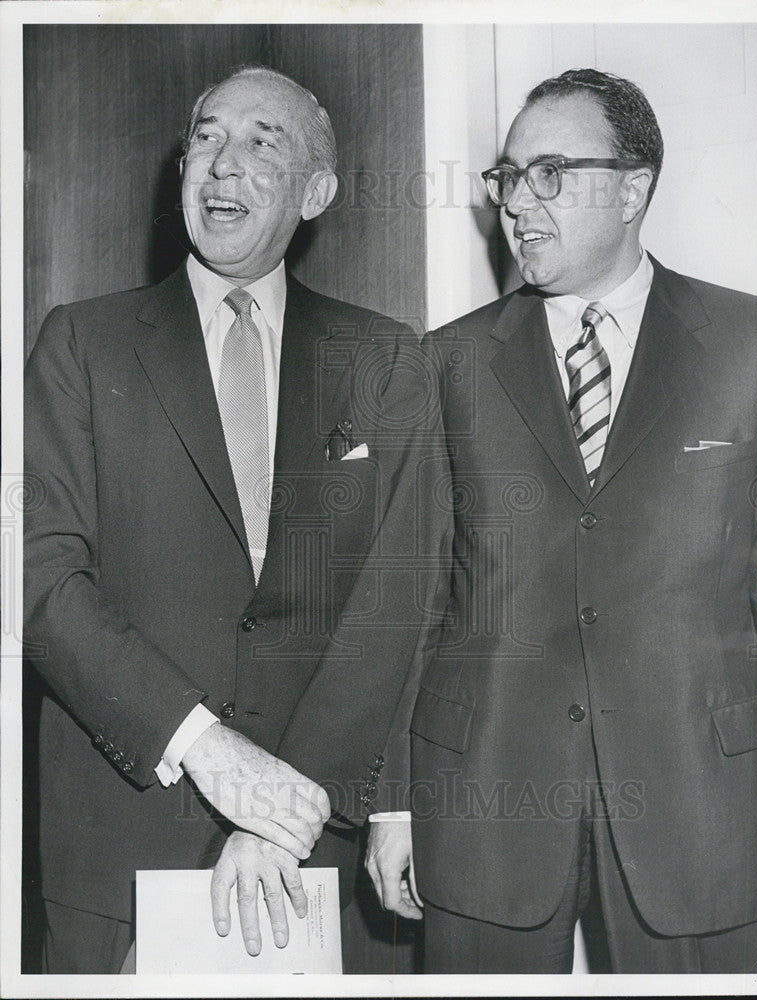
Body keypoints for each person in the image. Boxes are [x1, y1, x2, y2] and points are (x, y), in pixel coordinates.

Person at [24, 64, 446, 974]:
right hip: (118, 853)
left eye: (264, 143)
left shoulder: (386, 360)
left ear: (317, 191)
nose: (223, 165)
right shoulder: (78, 342)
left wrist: (287, 810)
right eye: (207, 137)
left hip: (324, 848)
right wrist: (207, 747)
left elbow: (401, 602)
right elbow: (38, 576)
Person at [366, 68, 757, 974]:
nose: (518, 203)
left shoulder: (755, 345)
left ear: (635, 189)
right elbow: (411, 600)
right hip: (485, 807)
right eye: (508, 177)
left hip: (708, 809)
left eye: (551, 173)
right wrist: (394, 804)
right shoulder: (446, 363)